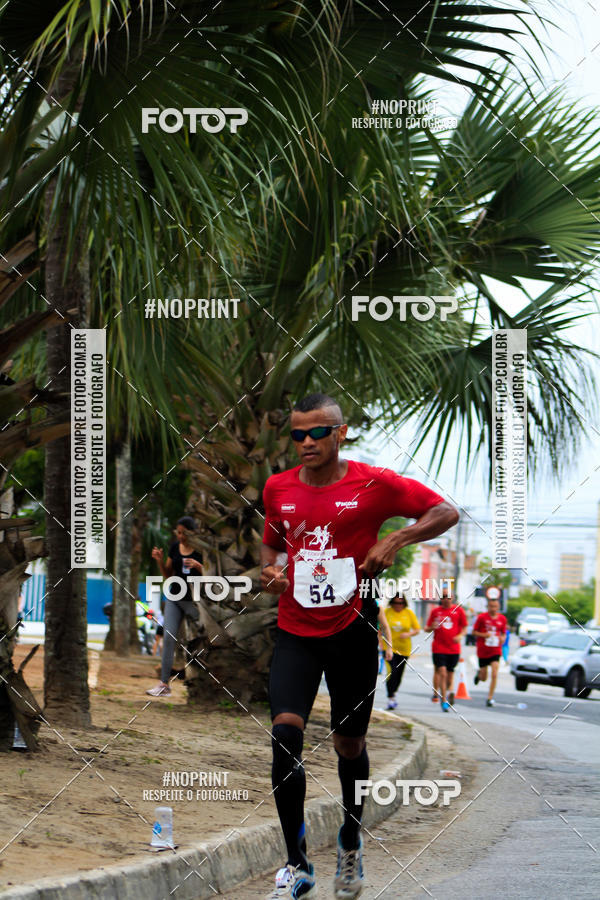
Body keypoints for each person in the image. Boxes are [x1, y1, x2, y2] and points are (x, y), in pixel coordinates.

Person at [260, 393, 458, 899]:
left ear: (340, 433)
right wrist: (273, 571)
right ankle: (297, 864)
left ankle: (350, 839)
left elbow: (446, 511)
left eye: (316, 433)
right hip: (295, 631)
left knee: (350, 746)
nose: (305, 443)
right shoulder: (277, 487)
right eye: (297, 434)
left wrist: (395, 540)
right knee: (285, 735)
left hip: (352, 634)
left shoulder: (375, 484)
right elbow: (273, 544)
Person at [146, 516, 203, 697]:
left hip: (195, 601)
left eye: (183, 533)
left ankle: (202, 680)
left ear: (192, 532)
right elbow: (168, 575)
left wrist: (198, 566)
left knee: (202, 638)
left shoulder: (201, 550)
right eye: (177, 532)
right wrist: (159, 560)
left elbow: (211, 575)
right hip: (175, 597)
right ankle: (164, 684)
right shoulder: (174, 548)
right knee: (169, 638)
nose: (180, 536)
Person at [425, 588, 467, 711]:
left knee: (449, 675)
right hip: (438, 648)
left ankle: (449, 691)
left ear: (452, 597)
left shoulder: (459, 610)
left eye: (448, 597)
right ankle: (444, 700)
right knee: (442, 672)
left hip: (453, 649)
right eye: (443, 597)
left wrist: (460, 635)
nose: (445, 599)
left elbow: (464, 627)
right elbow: (426, 628)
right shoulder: (435, 612)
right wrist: (431, 627)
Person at [383, 594, 420, 710]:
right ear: (391, 603)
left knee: (399, 674)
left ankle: (393, 693)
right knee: (392, 671)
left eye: (401, 603)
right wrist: (380, 642)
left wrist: (408, 634)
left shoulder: (408, 613)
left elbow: (417, 629)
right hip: (388, 648)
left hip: (404, 649)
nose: (398, 606)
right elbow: (380, 627)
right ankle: (390, 697)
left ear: (404, 604)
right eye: (396, 603)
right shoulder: (386, 612)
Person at [473, 598, 508, 706]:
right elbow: (474, 632)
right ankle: (479, 675)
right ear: (487, 607)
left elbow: (503, 633)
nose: (493, 608)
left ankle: (490, 697)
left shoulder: (502, 619)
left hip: (495, 650)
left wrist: (502, 638)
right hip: (483, 650)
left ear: (498, 607)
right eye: (491, 606)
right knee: (484, 678)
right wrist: (484, 635)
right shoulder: (482, 617)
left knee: (494, 673)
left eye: (495, 606)